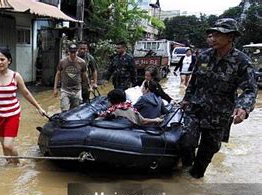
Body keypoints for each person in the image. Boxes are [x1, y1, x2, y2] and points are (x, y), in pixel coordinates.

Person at [180, 18, 257, 178]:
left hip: (218, 116)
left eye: (218, 35)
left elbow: (250, 90)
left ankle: (193, 182)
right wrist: (186, 99)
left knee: (205, 155)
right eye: (212, 34)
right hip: (195, 109)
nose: (212, 38)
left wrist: (243, 107)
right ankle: (184, 172)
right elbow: (193, 82)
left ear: (231, 37)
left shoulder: (242, 62)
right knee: (186, 142)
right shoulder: (203, 56)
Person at [53, 43, 89, 111]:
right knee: (64, 111)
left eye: (74, 52)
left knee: (74, 111)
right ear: (68, 52)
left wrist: (88, 86)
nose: (73, 54)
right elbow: (58, 74)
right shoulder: (62, 61)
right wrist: (55, 88)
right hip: (65, 90)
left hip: (77, 90)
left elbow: (85, 76)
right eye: (71, 52)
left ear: (77, 51)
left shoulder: (82, 62)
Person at [98, 89, 163, 126]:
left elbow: (98, 121)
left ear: (111, 100)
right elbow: (143, 121)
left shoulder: (113, 112)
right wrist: (156, 119)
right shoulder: (130, 108)